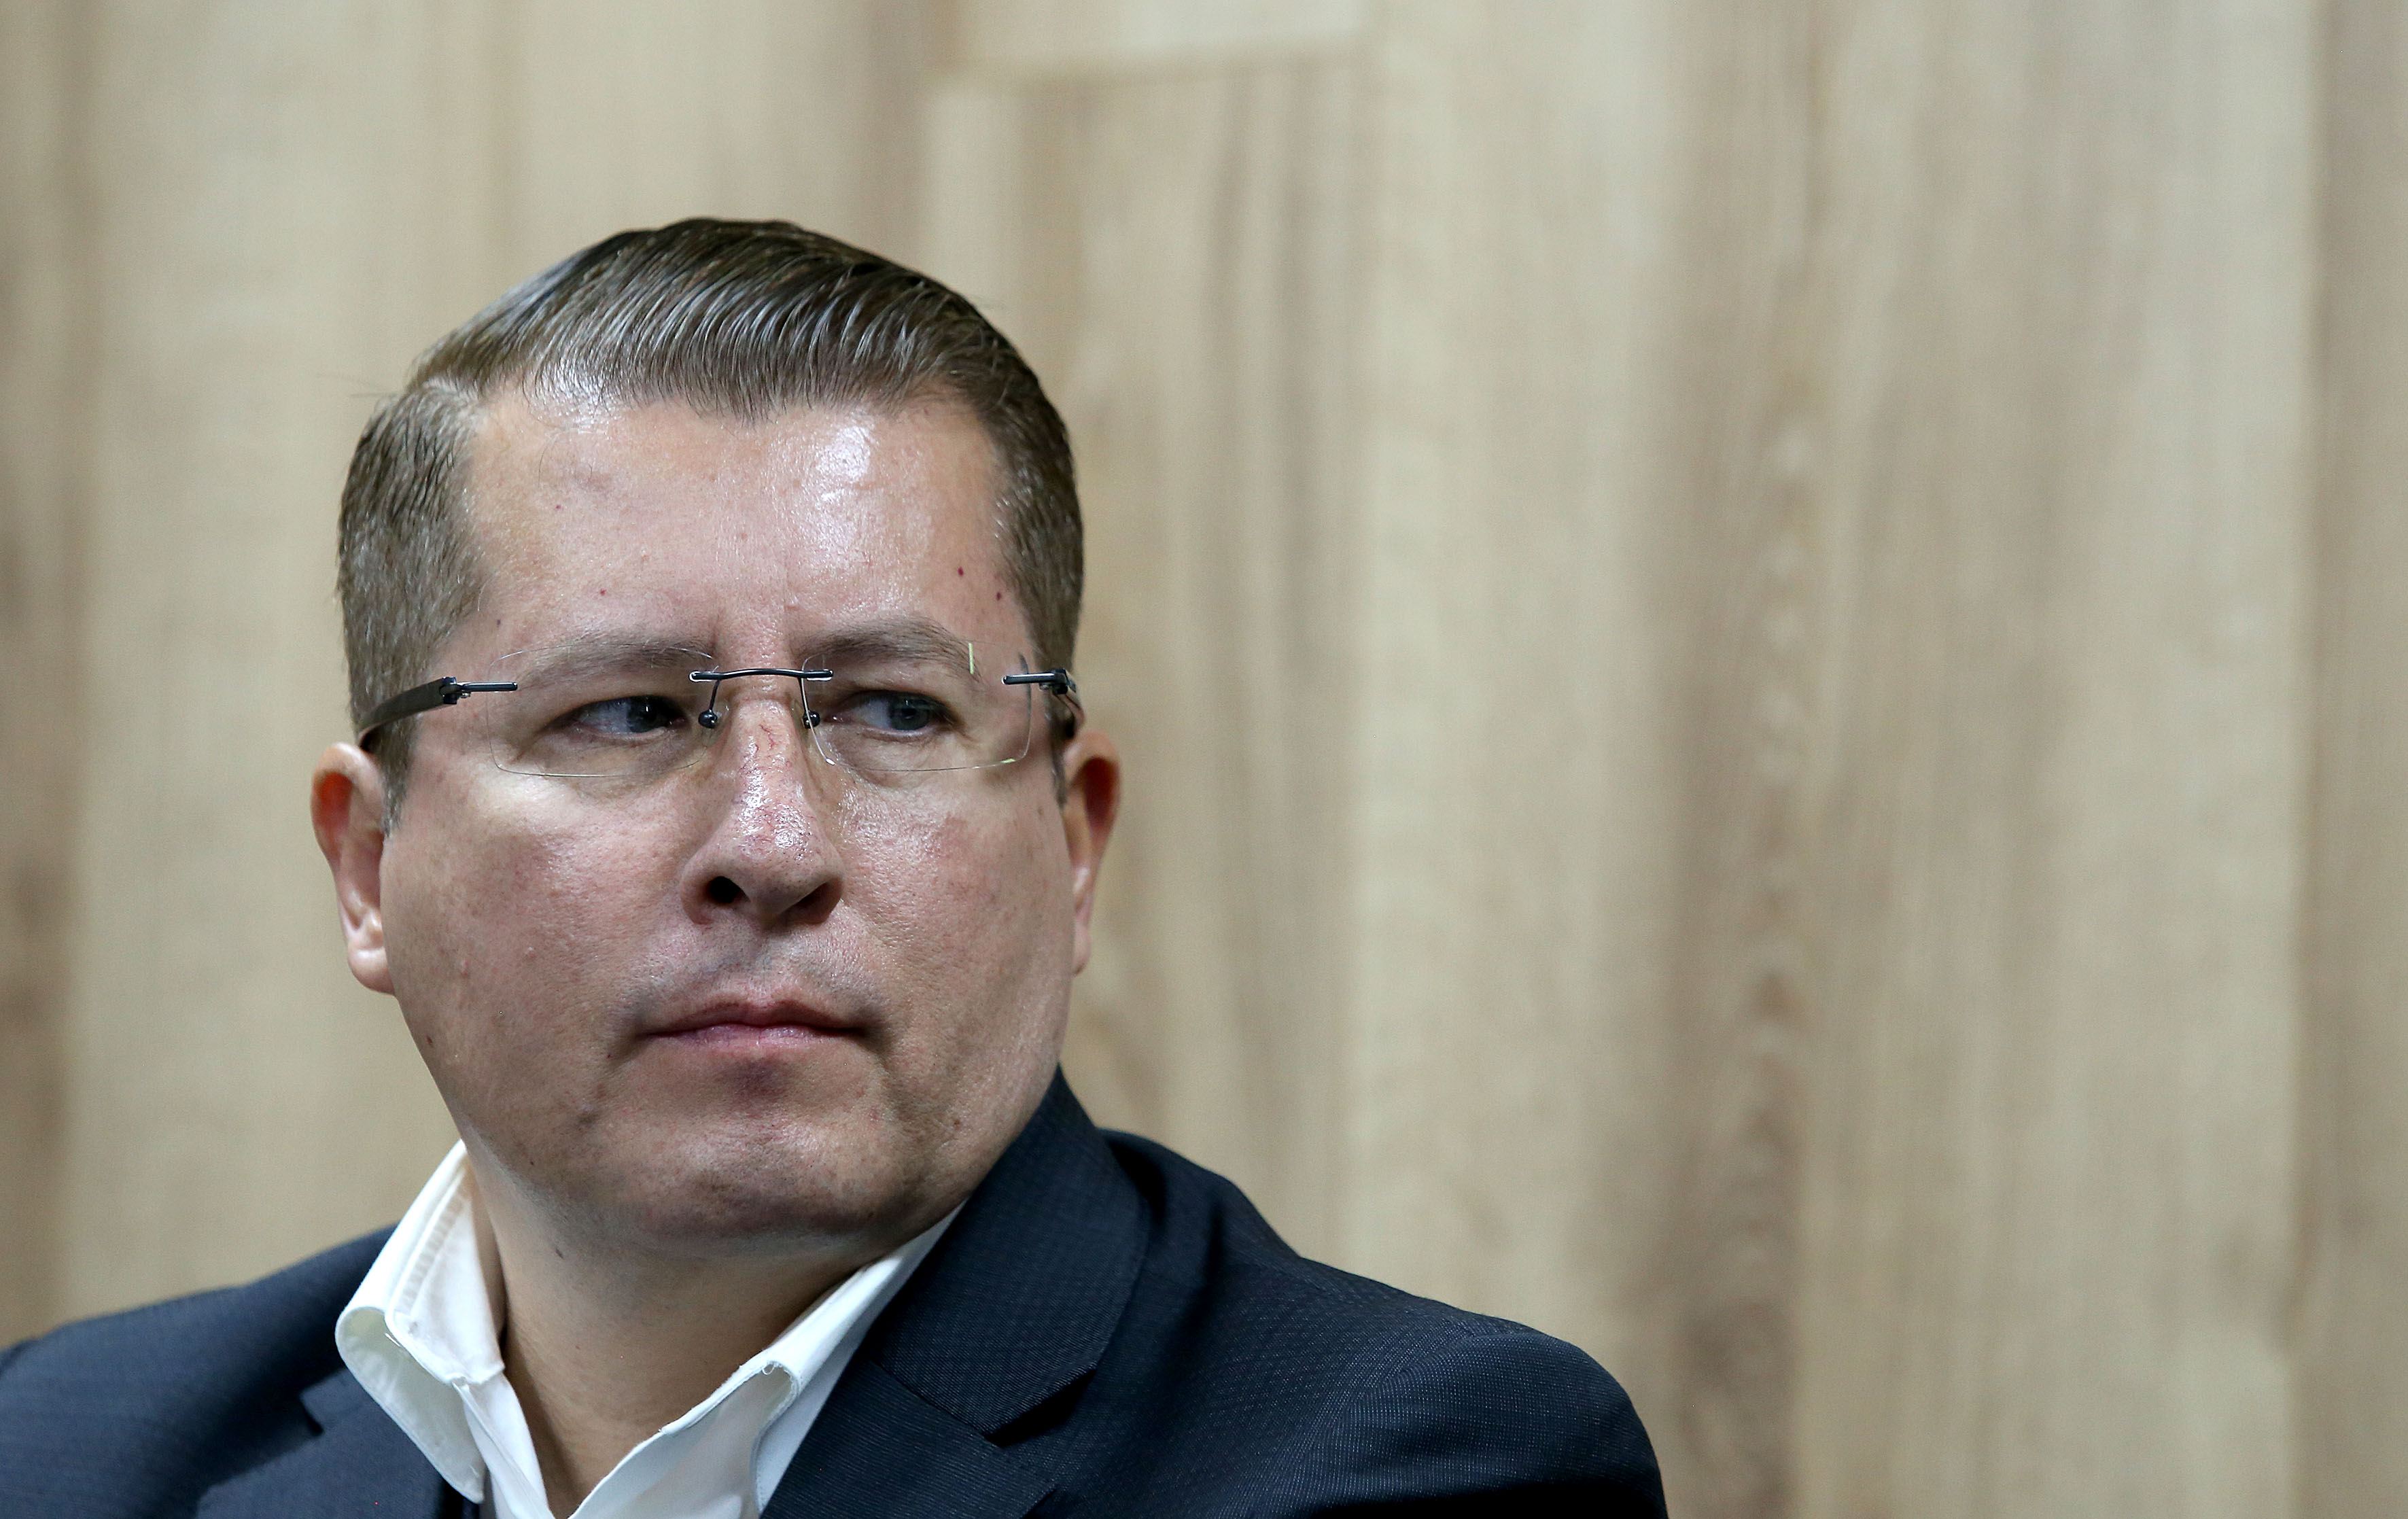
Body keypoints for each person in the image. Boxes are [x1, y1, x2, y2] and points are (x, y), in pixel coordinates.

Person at [0, 220, 1666, 1518]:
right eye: (627, 710)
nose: (771, 843)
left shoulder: (1414, 1469)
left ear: (1072, 839)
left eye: (892, 709)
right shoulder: (57, 1453)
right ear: (372, 862)